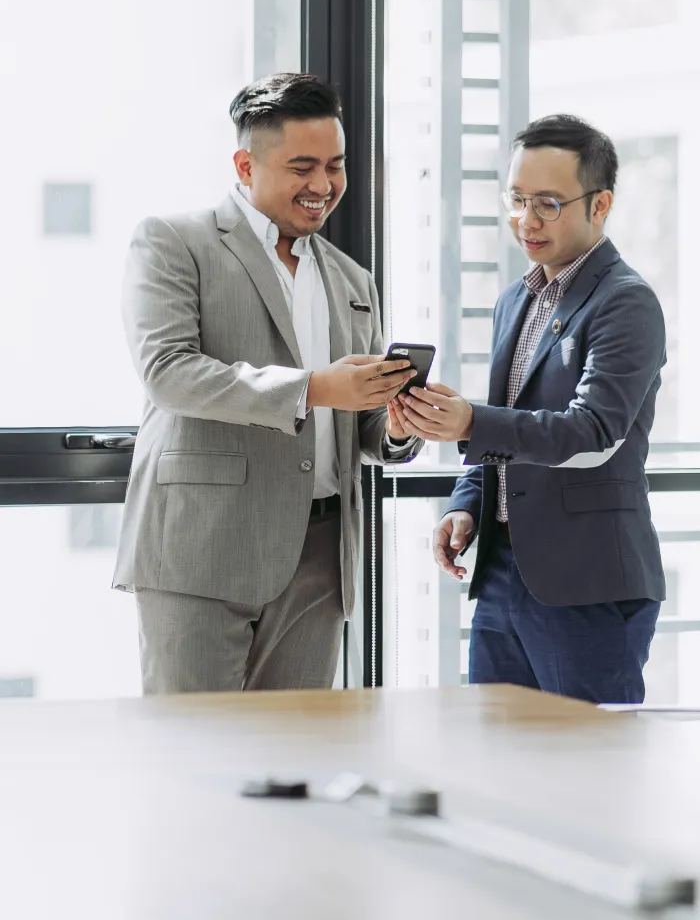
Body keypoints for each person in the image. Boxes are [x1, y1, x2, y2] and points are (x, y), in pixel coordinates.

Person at [113, 72, 422, 696]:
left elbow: (354, 422)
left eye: (334, 165)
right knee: (195, 754)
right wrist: (311, 388)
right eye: (302, 166)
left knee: (295, 761)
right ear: (245, 164)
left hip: (323, 557)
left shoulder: (353, 280)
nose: (323, 185)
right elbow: (169, 373)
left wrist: (393, 425)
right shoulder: (175, 242)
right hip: (202, 546)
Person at [394, 114, 666, 705]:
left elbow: (592, 432)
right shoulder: (517, 298)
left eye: (547, 202)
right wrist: (467, 504)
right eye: (516, 199)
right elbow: (509, 421)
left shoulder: (626, 303)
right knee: (499, 766)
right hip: (501, 575)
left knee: (589, 775)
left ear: (600, 205)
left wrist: (468, 421)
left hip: (586, 583)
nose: (526, 220)